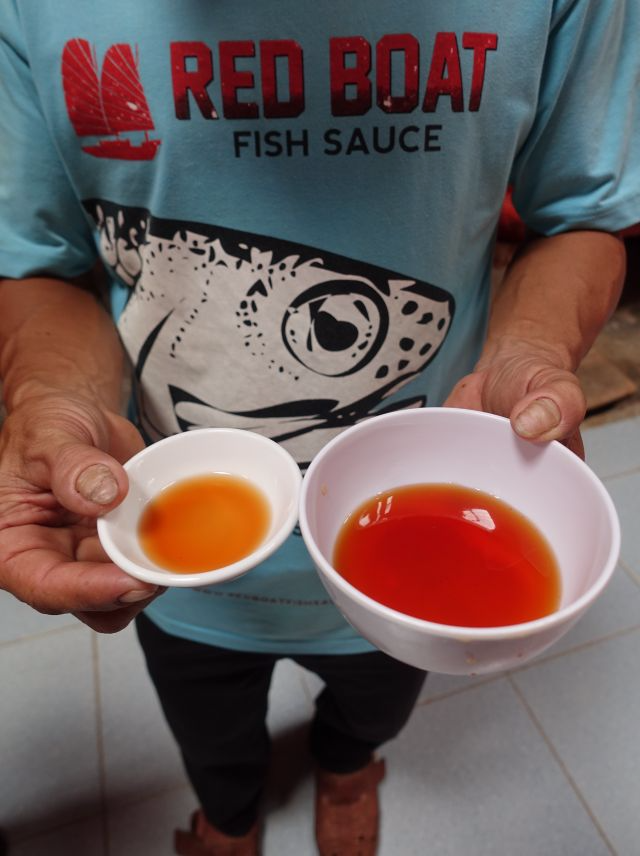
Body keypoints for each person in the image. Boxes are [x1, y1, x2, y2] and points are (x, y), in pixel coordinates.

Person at [0, 2, 638, 854]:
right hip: (175, 543)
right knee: (210, 736)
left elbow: (582, 213)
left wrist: (534, 344)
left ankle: (347, 769)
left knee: (373, 709)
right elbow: (40, 263)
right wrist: (49, 394)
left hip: (410, 556)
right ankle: (230, 816)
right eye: (336, 326)